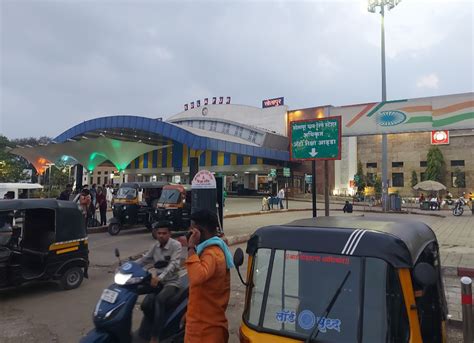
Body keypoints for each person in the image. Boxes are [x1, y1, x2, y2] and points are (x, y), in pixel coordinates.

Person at [185, 209, 234, 343]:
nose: (190, 232)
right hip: (200, 322)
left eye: (192, 230)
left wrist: (191, 247)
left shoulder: (212, 254)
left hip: (205, 330)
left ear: (199, 231)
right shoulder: (210, 250)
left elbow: (196, 277)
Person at [136, 225, 182, 343]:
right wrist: (129, 266)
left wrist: (160, 277)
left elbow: (174, 264)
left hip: (172, 282)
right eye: (159, 233)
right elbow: (145, 259)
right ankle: (155, 322)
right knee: (145, 305)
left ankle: (155, 336)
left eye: (164, 233)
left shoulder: (176, 245)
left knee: (160, 300)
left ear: (169, 234)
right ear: (156, 234)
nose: (161, 235)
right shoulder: (155, 246)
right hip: (157, 281)